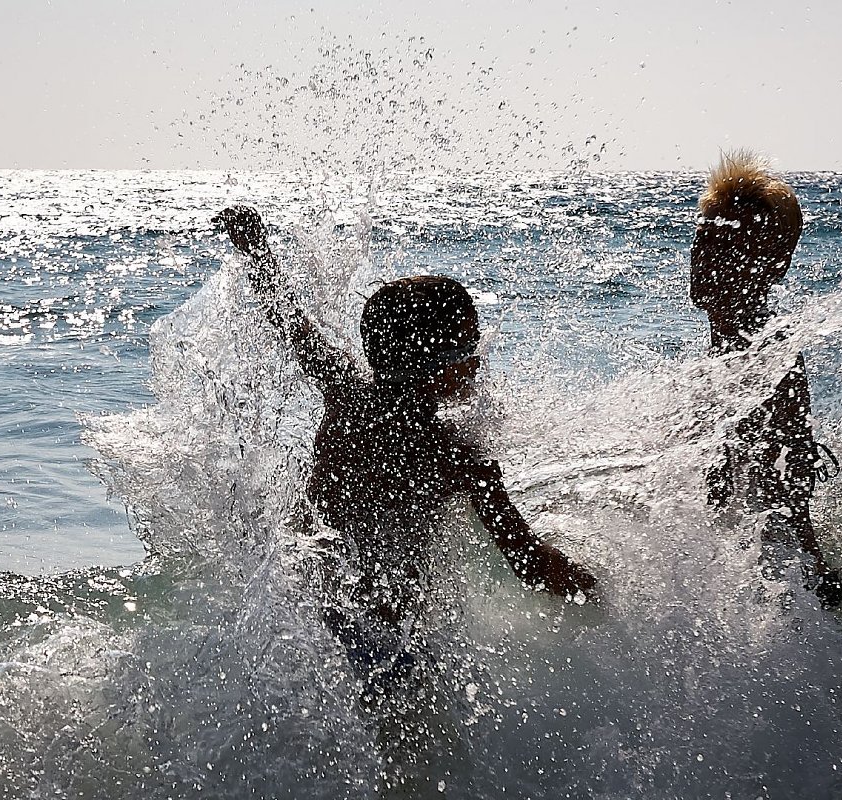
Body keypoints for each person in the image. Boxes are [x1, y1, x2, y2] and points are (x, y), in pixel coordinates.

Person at [213, 206, 597, 690]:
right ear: (439, 365)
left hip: (306, 616)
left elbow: (288, 320)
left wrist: (256, 251)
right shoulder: (454, 457)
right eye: (469, 350)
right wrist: (602, 594)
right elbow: (528, 563)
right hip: (388, 642)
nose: (477, 365)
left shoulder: (345, 392)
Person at [689, 152, 842, 608]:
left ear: (775, 264)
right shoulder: (721, 353)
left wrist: (814, 563)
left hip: (771, 574)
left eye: (730, 244)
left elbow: (793, 475)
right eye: (705, 237)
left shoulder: (770, 361)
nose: (705, 256)